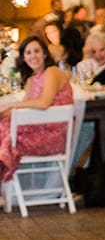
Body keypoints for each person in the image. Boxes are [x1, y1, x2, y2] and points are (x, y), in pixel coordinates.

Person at [0, 37, 74, 185]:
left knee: (3, 135)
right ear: (23, 57)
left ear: (45, 54)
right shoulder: (31, 79)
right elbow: (26, 108)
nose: (33, 56)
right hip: (34, 130)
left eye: (36, 51)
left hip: (52, 136)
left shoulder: (52, 72)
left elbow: (44, 103)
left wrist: (10, 105)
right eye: (28, 52)